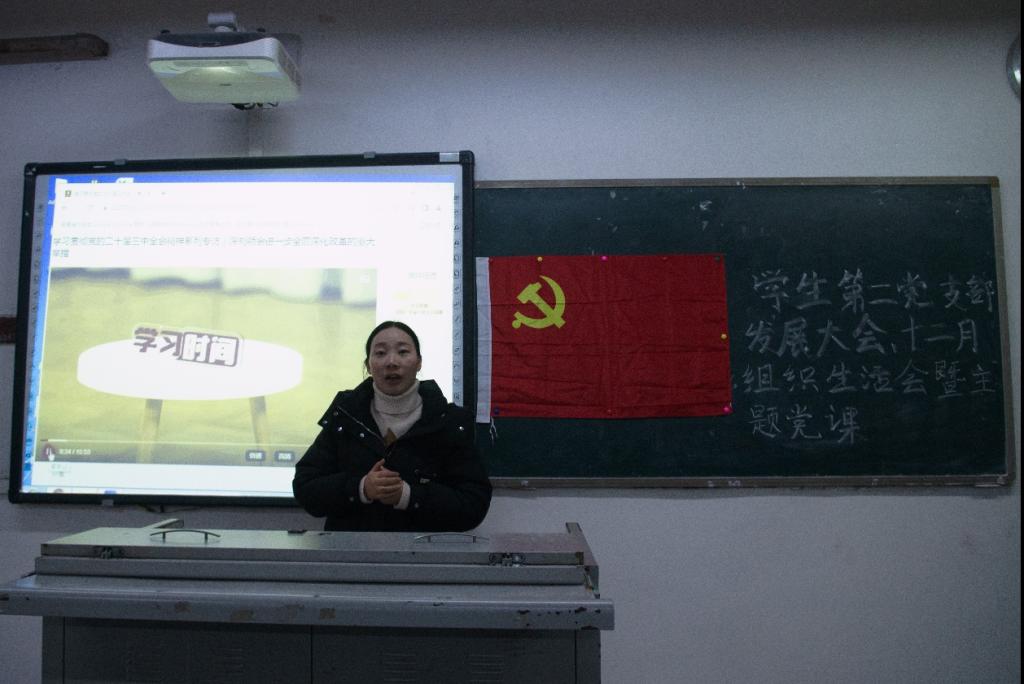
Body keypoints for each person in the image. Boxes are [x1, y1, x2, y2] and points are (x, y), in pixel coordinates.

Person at [293, 321, 492, 531]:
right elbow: (306, 488)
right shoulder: (345, 416)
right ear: (368, 365)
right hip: (352, 548)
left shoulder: (449, 422)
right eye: (380, 353)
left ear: (419, 362)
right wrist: (361, 488)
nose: (391, 362)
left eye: (403, 352)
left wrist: (409, 496)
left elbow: (473, 504)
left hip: (423, 549)